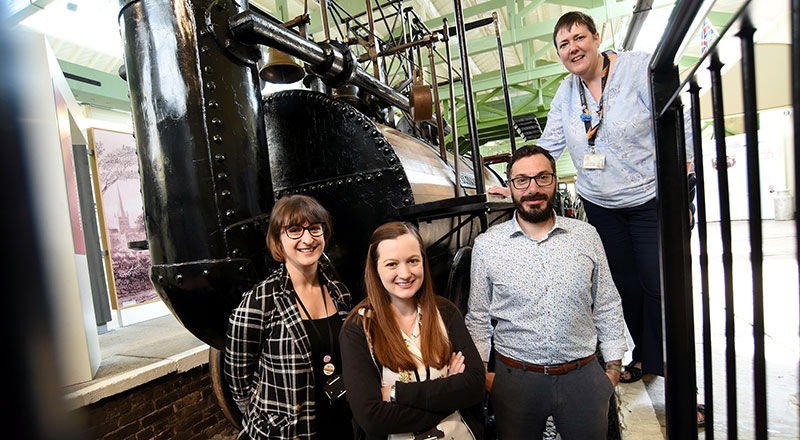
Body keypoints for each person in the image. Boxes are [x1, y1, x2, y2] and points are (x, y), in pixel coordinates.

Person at [536, 11, 694, 385]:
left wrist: (684, 185)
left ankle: (680, 378)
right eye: (563, 44)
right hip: (602, 206)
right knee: (626, 287)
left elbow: (676, 121)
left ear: (596, 36)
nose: (573, 48)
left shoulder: (637, 68)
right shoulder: (566, 92)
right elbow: (549, 144)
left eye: (578, 38)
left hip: (649, 198)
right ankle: (647, 357)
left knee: (660, 285)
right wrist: (515, 178)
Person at [465, 145, 627, 439]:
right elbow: (478, 318)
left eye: (542, 178)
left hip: (583, 376)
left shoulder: (585, 236)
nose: (533, 189)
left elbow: (606, 303)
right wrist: (485, 377)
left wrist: (613, 367)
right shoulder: (488, 246)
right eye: (522, 180)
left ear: (554, 180)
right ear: (510, 186)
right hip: (514, 380)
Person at [340, 222, 485, 440]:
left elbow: (474, 385)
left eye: (413, 261)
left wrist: (397, 393)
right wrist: (450, 394)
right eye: (392, 264)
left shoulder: (445, 312)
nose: (405, 273)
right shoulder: (358, 328)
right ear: (376, 269)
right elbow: (372, 419)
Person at [225, 195, 353, 439]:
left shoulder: (339, 292)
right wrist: (269, 419)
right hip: (288, 432)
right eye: (294, 230)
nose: (307, 239)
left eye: (315, 228)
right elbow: (237, 378)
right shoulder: (260, 301)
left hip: (340, 425)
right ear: (278, 241)